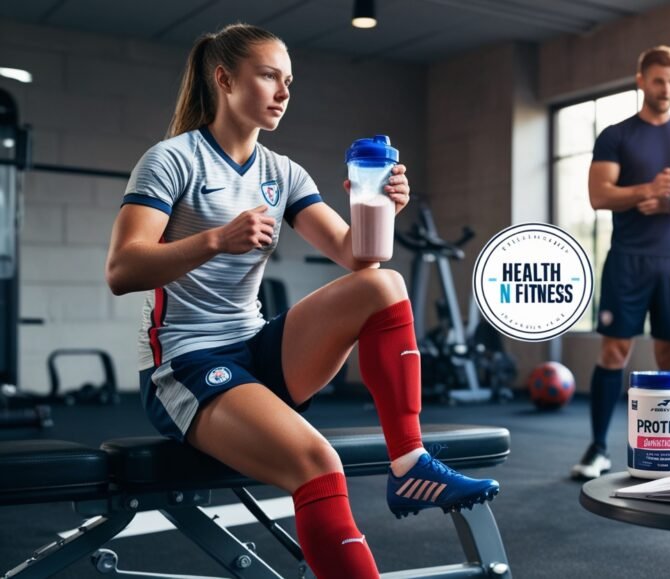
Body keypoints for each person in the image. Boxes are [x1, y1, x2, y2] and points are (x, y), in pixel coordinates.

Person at [105, 24, 498, 578]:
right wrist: (216, 238)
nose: (284, 92)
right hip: (188, 364)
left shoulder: (281, 172)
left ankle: (410, 462)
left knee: (384, 284)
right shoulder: (173, 160)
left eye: (288, 80)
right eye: (269, 76)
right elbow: (122, 269)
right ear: (224, 79)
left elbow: (358, 255)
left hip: (260, 351)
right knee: (319, 464)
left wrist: (380, 204)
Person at [572, 45, 670, 480]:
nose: (666, 89)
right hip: (628, 259)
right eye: (658, 80)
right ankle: (598, 449)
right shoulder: (617, 135)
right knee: (615, 350)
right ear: (641, 80)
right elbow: (600, 194)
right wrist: (646, 190)